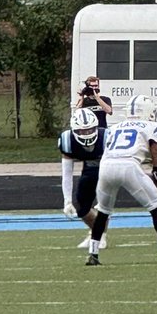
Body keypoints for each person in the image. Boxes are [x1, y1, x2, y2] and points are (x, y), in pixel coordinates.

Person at [85, 95, 157, 265]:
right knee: (155, 205)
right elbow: (155, 148)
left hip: (106, 165)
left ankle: (93, 254)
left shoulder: (115, 127)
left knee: (103, 211)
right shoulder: (151, 126)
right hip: (128, 165)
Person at [58, 107, 108, 250]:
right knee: (81, 206)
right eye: (81, 131)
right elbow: (67, 173)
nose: (86, 133)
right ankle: (96, 232)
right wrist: (67, 200)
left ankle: (99, 236)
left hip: (109, 169)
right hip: (90, 169)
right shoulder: (67, 141)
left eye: (89, 130)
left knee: (103, 204)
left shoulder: (106, 137)